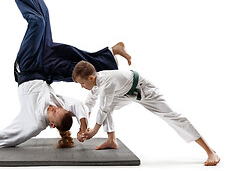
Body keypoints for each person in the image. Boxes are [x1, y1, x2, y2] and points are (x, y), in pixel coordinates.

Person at [0, 0, 131, 148]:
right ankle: (111, 54)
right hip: (43, 71)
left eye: (54, 112)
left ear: (51, 124)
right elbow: (78, 106)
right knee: (77, 68)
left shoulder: (34, 123)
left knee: (37, 22)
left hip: (26, 68)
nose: (53, 108)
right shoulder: (58, 106)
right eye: (58, 109)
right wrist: (83, 126)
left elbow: (11, 134)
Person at [72, 60, 220, 166]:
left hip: (144, 89)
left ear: (91, 78)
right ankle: (112, 140)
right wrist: (84, 128)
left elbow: (103, 108)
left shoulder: (106, 84)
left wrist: (94, 132)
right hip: (125, 92)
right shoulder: (97, 82)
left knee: (173, 117)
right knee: (107, 107)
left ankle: (210, 151)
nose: (82, 86)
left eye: (82, 83)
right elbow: (90, 103)